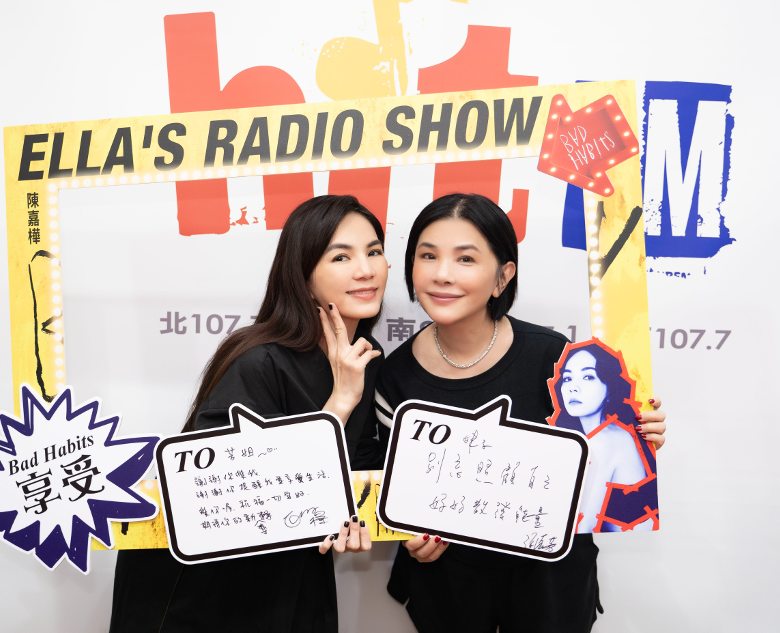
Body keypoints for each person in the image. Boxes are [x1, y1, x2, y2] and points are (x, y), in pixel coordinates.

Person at [372, 193, 666, 633]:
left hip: (548, 583)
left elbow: (602, 463)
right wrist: (408, 533)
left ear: (503, 276)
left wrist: (638, 433)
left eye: (466, 258)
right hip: (449, 584)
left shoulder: (557, 360)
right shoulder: (393, 376)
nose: (442, 274)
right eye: (427, 256)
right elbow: (395, 488)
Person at [110, 195, 388, 633]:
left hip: (291, 569)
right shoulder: (259, 359)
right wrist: (340, 402)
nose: (366, 269)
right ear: (304, 277)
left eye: (374, 251)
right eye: (341, 256)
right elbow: (232, 488)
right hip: (203, 584)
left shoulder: (366, 359)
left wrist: (369, 517)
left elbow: (359, 466)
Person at [552, 343, 657, 533]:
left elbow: (582, 526)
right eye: (567, 378)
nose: (573, 388)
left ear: (609, 388)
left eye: (588, 376)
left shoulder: (605, 441)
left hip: (634, 546)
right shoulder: (600, 435)